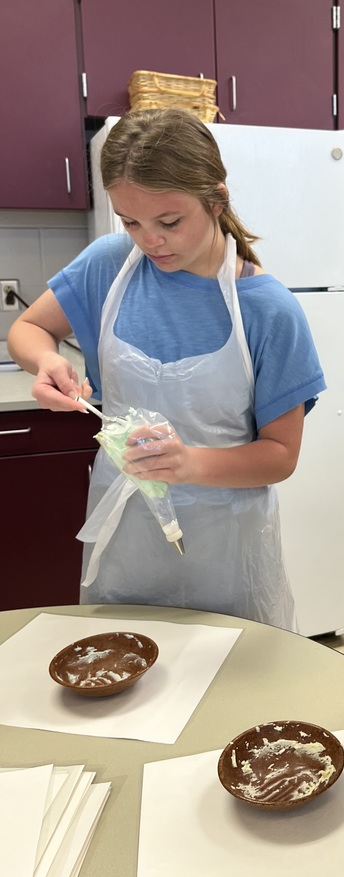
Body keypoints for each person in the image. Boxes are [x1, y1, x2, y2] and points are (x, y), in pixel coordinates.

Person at [9, 107, 326, 629]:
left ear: (217, 200)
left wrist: (188, 464)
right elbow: (28, 330)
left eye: (169, 222)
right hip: (126, 536)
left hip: (226, 551)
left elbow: (280, 456)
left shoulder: (267, 310)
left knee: (229, 692)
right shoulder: (108, 266)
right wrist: (45, 361)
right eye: (130, 221)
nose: (148, 240)